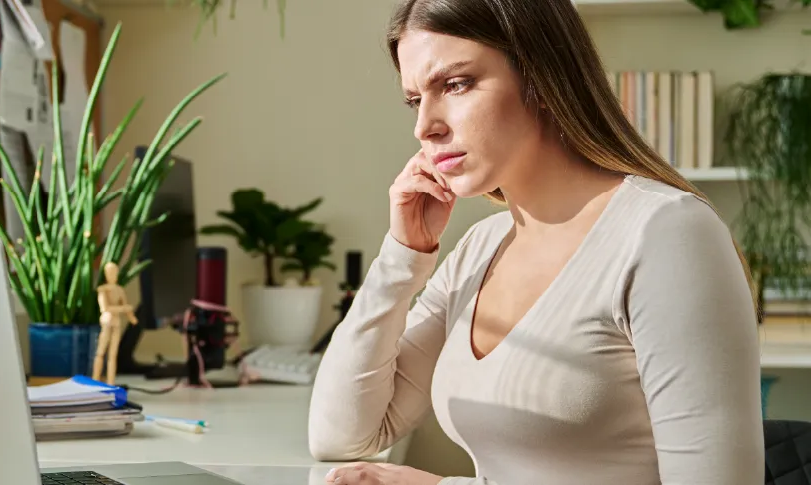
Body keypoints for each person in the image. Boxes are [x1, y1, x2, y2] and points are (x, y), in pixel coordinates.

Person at [308, 1, 765, 484]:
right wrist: (402, 257)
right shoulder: (480, 248)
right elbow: (342, 436)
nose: (425, 126)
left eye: (456, 84)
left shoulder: (667, 234)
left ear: (541, 78)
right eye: (414, 99)